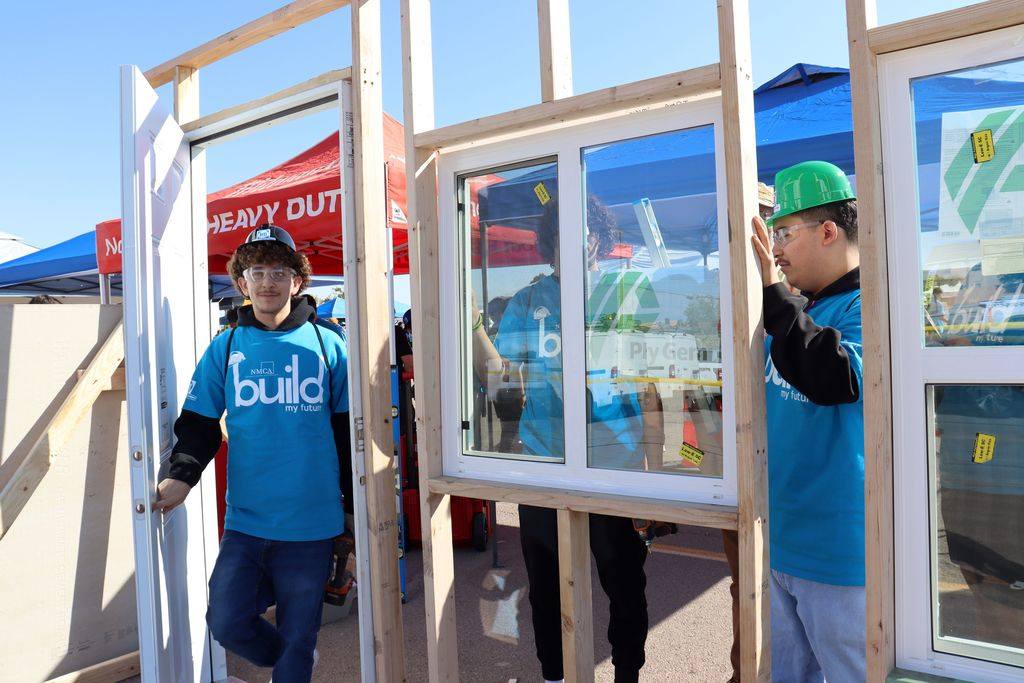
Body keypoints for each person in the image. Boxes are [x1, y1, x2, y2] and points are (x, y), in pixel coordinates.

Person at [154, 224, 349, 683]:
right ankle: (290, 657)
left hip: (312, 524)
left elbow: (347, 433)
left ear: (297, 281)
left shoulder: (328, 343)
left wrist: (354, 511)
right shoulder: (225, 347)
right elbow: (199, 423)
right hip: (247, 522)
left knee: (299, 639)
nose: (267, 282)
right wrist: (182, 476)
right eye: (257, 272)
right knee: (226, 621)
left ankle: (294, 661)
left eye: (279, 272)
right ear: (242, 282)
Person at [472, 196, 650, 683]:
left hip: (613, 460)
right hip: (545, 460)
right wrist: (474, 329)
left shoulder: (625, 292)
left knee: (623, 580)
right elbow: (502, 382)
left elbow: (655, 384)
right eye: (560, 233)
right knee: (546, 585)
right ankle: (554, 674)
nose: (573, 241)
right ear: (548, 244)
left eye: (584, 231)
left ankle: (627, 673)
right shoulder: (528, 301)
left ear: (599, 240)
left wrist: (656, 463)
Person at [749, 161, 866, 683]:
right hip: (780, 541)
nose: (774, 250)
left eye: (784, 233)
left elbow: (833, 376)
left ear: (828, 231)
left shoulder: (870, 302)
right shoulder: (799, 308)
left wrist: (775, 297)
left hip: (839, 553)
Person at [721, 181, 777, 682]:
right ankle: (744, 671)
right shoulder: (722, 302)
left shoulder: (796, 297)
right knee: (745, 582)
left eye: (764, 220)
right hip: (737, 471)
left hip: (787, 476)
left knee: (784, 585)